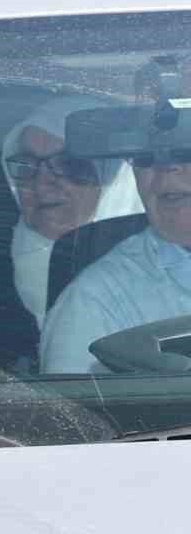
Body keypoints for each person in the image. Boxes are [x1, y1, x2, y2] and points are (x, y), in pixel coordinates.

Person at [41, 146, 191, 374]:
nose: (166, 167)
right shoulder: (95, 299)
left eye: (186, 151)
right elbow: (71, 408)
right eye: (146, 156)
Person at [0, 96, 142, 328]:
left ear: (114, 179)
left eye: (69, 165)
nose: (42, 183)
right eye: (27, 164)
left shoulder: (166, 278)